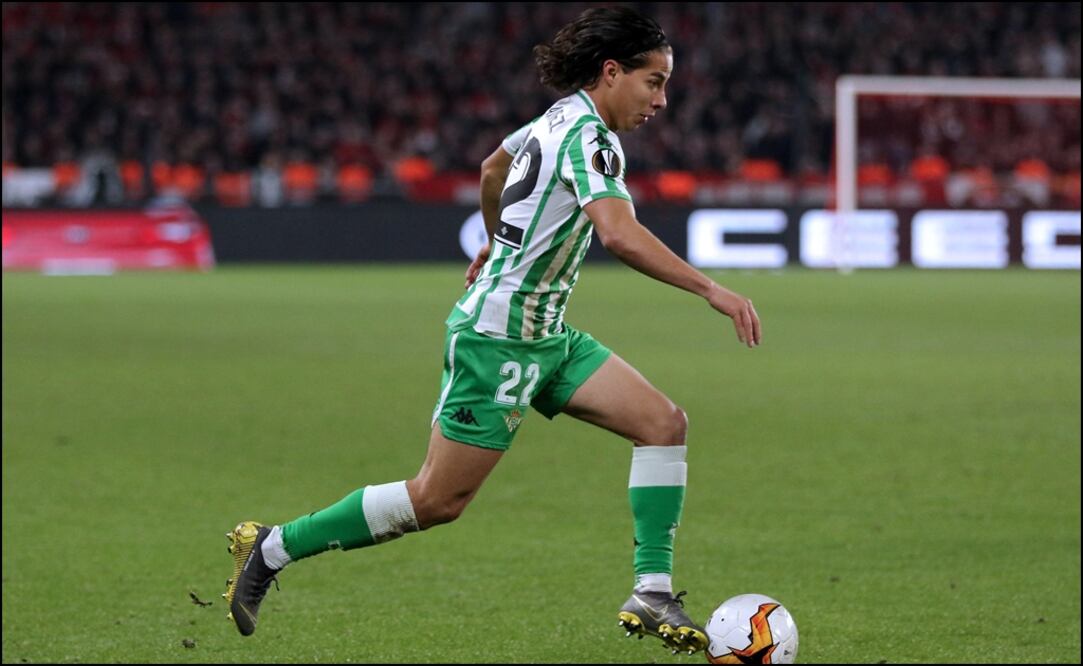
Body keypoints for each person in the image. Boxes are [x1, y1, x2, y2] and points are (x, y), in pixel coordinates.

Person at [223, 6, 761, 656]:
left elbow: (490, 169)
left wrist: (494, 238)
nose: (662, 99)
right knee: (436, 499)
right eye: (653, 81)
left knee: (662, 423)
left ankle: (651, 591)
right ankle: (272, 547)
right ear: (611, 72)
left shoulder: (556, 116)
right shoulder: (591, 138)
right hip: (498, 339)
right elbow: (618, 233)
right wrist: (710, 288)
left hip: (546, 334)